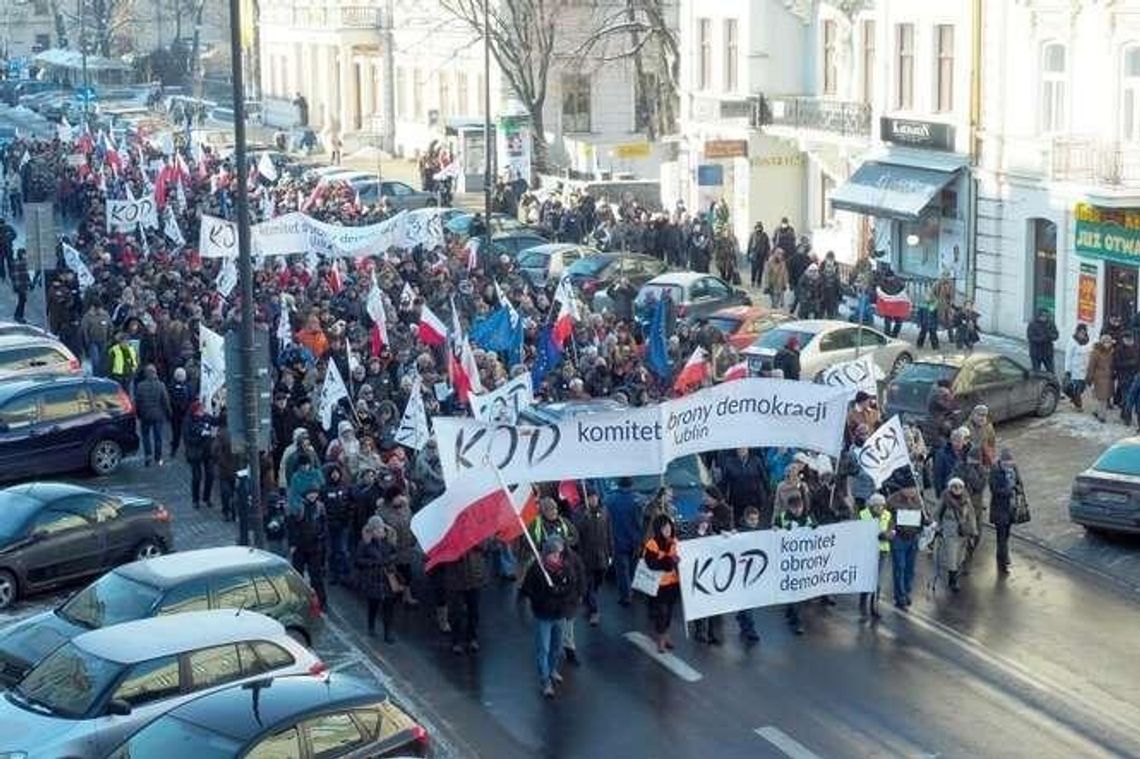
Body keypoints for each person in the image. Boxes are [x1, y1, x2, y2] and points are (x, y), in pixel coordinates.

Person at [519, 534, 581, 698]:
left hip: (559, 614)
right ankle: (545, 680)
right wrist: (545, 596)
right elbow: (527, 590)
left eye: (559, 553)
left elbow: (571, 586)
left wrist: (560, 592)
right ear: (546, 553)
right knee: (543, 649)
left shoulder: (565, 567)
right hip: (544, 615)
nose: (557, 557)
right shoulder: (537, 569)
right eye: (554, 553)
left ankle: (552, 669)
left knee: (556, 647)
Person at [776, 492, 816, 634]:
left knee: (798, 592)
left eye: (800, 507)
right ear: (789, 508)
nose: (798, 511)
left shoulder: (808, 517)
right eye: (795, 508)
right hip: (788, 560)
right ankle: (794, 617)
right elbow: (774, 534)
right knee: (792, 590)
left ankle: (795, 617)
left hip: (804, 560)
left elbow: (817, 532)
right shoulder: (782, 518)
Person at [354, 515, 399, 641]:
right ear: (372, 530)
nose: (380, 532)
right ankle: (371, 625)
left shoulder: (388, 541)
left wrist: (390, 560)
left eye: (381, 529)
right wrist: (374, 563)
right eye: (377, 529)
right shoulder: (365, 543)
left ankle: (388, 632)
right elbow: (358, 561)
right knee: (373, 604)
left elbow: (395, 554)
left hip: (387, 578)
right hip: (372, 578)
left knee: (389, 606)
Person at [642, 513, 681, 653]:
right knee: (662, 612)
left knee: (670, 612)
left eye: (669, 527)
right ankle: (661, 639)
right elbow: (651, 564)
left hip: (673, 584)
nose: (668, 530)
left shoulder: (675, 542)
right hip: (658, 585)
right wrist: (668, 562)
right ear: (658, 528)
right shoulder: (652, 544)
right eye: (664, 528)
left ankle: (665, 634)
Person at [288, 484, 330, 612]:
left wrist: (321, 537)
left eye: (315, 493)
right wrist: (293, 544)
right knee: (298, 576)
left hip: (315, 546)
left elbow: (324, 525)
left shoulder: (320, 507)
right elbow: (292, 527)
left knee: (316, 577)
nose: (313, 495)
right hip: (300, 546)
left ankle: (322, 602)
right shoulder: (298, 507)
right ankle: (298, 602)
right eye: (310, 493)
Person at [575, 489, 613, 626]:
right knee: (589, 585)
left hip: (602, 555)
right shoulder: (580, 512)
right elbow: (576, 533)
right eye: (590, 497)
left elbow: (609, 532)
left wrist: (610, 552)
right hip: (586, 556)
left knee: (598, 581)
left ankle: (588, 599)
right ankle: (594, 611)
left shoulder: (604, 511)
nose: (593, 499)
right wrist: (584, 518)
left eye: (595, 497)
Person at [605, 477, 644, 606]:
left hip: (617, 541)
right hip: (635, 541)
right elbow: (642, 521)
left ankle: (626, 596)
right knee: (633, 568)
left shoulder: (610, 500)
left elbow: (605, 520)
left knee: (622, 571)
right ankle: (633, 589)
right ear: (631, 485)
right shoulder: (638, 499)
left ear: (618, 484)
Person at [886, 485, 924, 609]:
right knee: (899, 567)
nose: (911, 491)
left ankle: (906, 591)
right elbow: (887, 517)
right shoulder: (892, 500)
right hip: (899, 538)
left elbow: (923, 516)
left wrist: (930, 524)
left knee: (910, 569)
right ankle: (899, 595)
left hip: (913, 538)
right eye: (908, 488)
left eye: (913, 488)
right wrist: (890, 531)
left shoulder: (918, 499)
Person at [444, 546, 486, 655]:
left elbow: (485, 546)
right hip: (456, 577)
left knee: (474, 610)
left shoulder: (476, 530)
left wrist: (474, 544)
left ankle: (472, 638)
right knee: (455, 611)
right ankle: (456, 640)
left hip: (474, 575)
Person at [936, 477, 976, 592]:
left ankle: (955, 574)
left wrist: (973, 531)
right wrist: (937, 527)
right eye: (954, 486)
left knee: (960, 557)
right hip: (950, 531)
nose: (957, 489)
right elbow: (937, 513)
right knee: (952, 557)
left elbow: (971, 516)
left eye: (960, 487)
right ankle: (952, 581)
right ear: (950, 488)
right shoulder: (945, 499)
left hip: (963, 533)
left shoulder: (966, 500)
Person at [858, 493, 891, 620]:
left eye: (882, 506)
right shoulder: (863, 515)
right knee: (867, 578)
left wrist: (887, 535)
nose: (880, 509)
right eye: (877, 506)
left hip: (882, 550)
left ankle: (874, 606)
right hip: (868, 550)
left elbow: (892, 530)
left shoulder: (887, 515)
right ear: (871, 506)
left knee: (877, 580)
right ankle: (862, 603)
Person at [989, 448, 1021, 575]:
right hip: (999, 509)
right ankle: (1003, 563)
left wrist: (1016, 488)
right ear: (1001, 462)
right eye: (1007, 464)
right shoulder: (995, 471)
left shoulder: (1014, 469)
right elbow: (994, 490)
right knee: (1001, 537)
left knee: (1006, 536)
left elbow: (1019, 483)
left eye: (1011, 463)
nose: (1009, 466)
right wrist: (1009, 490)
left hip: (1011, 508)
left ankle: (1003, 557)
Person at [734, 506, 763, 643]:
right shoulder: (740, 532)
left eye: (756, 519)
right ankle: (750, 629)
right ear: (745, 519)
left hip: (754, 573)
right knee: (748, 602)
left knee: (749, 601)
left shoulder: (759, 532)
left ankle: (741, 616)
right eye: (751, 519)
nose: (754, 522)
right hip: (742, 573)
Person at [133, 364, 171, 467]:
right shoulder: (161, 385)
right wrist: (168, 413)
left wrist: (138, 415)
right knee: (158, 437)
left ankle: (148, 456)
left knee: (145, 436)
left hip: (145, 416)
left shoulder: (140, 386)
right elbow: (165, 401)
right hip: (158, 416)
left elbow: (137, 402)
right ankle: (158, 458)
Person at [183, 401, 217, 509]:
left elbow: (216, 421)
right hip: (195, 452)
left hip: (207, 451)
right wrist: (200, 436)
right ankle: (195, 499)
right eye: (200, 410)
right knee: (197, 477)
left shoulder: (206, 417)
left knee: (210, 475)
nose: (202, 412)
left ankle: (206, 498)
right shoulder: (188, 421)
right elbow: (187, 438)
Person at [1087, 333, 1115, 422]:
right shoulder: (1096, 352)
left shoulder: (1112, 352)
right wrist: (1089, 377)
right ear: (1102, 342)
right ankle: (1102, 416)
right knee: (1102, 397)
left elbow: (1113, 364)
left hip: (1109, 377)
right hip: (1099, 377)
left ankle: (1097, 411)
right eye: (1105, 342)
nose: (1107, 344)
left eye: (1109, 342)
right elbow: (1091, 366)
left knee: (1103, 397)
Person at [1065, 323, 1092, 410]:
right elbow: (1068, 357)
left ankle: (1074, 398)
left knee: (1082, 388)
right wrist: (1067, 370)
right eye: (1080, 332)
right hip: (1075, 369)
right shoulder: (1072, 341)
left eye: (1084, 332)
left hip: (1084, 369)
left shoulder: (1087, 340)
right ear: (1077, 332)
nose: (1082, 334)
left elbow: (1089, 352)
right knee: (1076, 388)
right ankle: (1078, 404)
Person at [1026, 309, 1059, 374]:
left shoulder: (1050, 324)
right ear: (1038, 316)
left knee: (1051, 371)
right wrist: (1042, 339)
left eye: (1046, 316)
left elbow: (1056, 335)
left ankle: (1052, 382)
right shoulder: (1032, 324)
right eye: (1043, 316)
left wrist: (1050, 335)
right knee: (1036, 372)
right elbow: (1030, 337)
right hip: (1036, 352)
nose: (1044, 317)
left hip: (1047, 352)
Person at [747, 222, 770, 288]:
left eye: (759, 227)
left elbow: (767, 246)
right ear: (755, 227)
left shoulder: (765, 235)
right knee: (754, 270)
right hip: (754, 255)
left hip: (762, 256)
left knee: (760, 270)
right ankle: (753, 281)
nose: (758, 228)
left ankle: (759, 283)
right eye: (757, 227)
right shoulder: (753, 235)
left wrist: (767, 255)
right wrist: (748, 254)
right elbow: (749, 245)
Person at [10, 249, 29, 323]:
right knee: (22, 300)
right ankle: (19, 316)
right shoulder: (20, 263)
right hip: (20, 286)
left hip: (21, 285)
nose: (25, 255)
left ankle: (18, 315)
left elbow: (25, 274)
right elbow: (18, 275)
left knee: (22, 300)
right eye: (24, 254)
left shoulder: (19, 262)